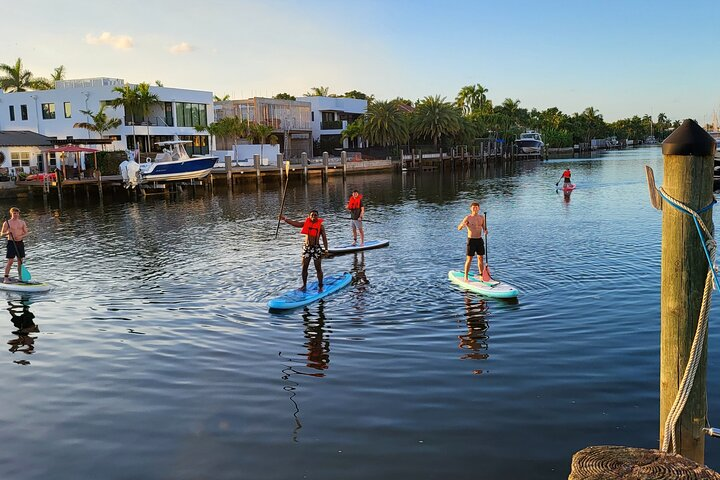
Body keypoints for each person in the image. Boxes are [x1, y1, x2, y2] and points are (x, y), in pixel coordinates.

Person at [279, 210, 329, 291]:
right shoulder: (305, 223)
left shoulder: (321, 226)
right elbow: (295, 223)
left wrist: (326, 249)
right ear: (309, 216)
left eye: (315, 215)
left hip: (316, 248)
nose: (313, 216)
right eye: (312, 215)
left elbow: (324, 238)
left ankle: (320, 286)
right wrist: (285, 219)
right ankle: (304, 285)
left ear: (317, 216)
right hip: (307, 248)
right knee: (304, 267)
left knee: (318, 268)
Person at [457, 202, 487, 281]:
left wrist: (485, 231)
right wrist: (463, 225)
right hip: (471, 240)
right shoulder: (468, 217)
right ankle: (466, 276)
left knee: (480, 258)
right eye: (473, 207)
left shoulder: (482, 217)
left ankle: (481, 275)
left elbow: (484, 228)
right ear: (471, 209)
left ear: (479, 208)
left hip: (479, 239)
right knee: (469, 258)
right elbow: (459, 228)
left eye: (476, 207)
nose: (475, 209)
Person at [1, 207, 29, 284]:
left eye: (17, 213)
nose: (16, 215)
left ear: (19, 214)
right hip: (11, 243)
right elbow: (1, 234)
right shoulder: (7, 223)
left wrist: (21, 236)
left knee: (20, 261)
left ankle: (21, 277)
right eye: (14, 213)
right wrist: (7, 233)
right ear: (11, 213)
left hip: (20, 243)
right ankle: (6, 278)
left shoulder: (22, 222)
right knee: (10, 261)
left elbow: (26, 233)